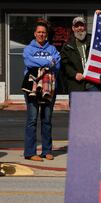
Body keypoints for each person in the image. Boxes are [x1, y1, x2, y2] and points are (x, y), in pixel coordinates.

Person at [22, 19, 60, 161]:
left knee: (47, 119)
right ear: (35, 33)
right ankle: (30, 153)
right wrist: (48, 62)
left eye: (43, 32)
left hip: (49, 87)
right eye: (39, 32)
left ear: (47, 34)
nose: (41, 34)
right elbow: (28, 62)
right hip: (31, 87)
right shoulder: (28, 49)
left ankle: (46, 151)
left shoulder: (53, 49)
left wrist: (48, 63)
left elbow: (57, 65)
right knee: (32, 119)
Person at [60, 15, 101, 105]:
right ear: (73, 28)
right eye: (77, 26)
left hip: (93, 84)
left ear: (85, 26)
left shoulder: (94, 41)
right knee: (78, 114)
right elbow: (64, 64)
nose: (79, 28)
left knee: (97, 111)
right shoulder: (67, 46)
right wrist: (74, 74)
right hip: (76, 85)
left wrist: (99, 17)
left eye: (81, 25)